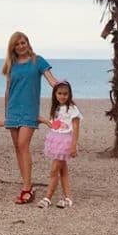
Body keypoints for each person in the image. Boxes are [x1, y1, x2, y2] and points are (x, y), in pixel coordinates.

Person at [1, 31, 60, 204]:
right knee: (18, 149)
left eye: (23, 42)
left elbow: (52, 80)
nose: (21, 46)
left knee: (23, 145)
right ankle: (27, 184)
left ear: (28, 43)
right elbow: (8, 89)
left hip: (29, 110)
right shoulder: (11, 64)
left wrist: (63, 90)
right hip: (13, 110)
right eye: (17, 44)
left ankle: (27, 188)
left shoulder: (38, 61)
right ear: (13, 47)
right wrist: (6, 113)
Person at [36, 80, 81, 209]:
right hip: (55, 140)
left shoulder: (72, 109)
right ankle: (68, 198)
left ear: (70, 94)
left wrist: (73, 145)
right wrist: (43, 120)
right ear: (55, 94)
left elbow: (76, 127)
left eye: (65, 94)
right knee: (63, 171)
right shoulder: (56, 108)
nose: (62, 96)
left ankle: (47, 198)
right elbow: (55, 125)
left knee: (54, 170)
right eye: (60, 93)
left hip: (65, 142)